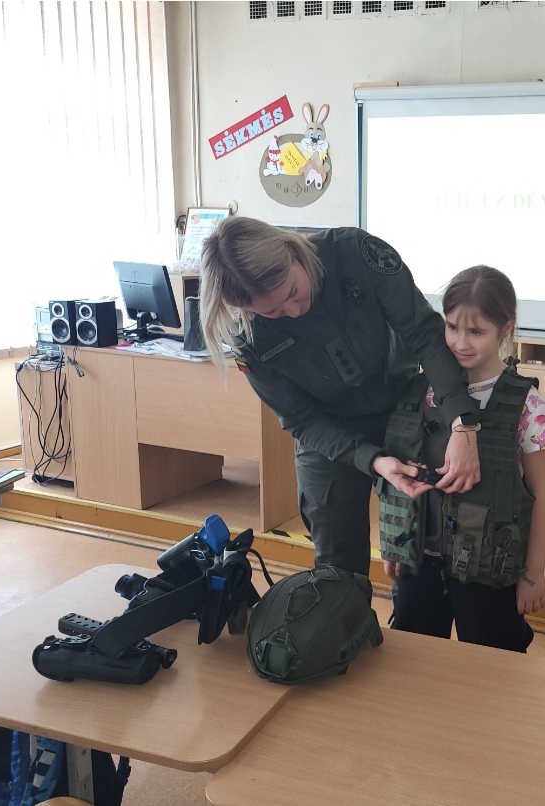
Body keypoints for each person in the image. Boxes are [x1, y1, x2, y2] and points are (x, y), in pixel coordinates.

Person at [198, 218, 481, 576]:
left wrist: (463, 423)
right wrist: (372, 460)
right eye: (272, 312)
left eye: (292, 292)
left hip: (402, 408)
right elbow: (301, 419)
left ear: (292, 251)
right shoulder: (246, 334)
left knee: (422, 542)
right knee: (338, 565)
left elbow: (424, 334)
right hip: (328, 435)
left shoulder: (356, 254)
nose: (294, 311)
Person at [382, 265, 545, 653]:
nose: (460, 342)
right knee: (414, 660)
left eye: (476, 332)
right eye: (451, 327)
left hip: (489, 571)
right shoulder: (419, 393)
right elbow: (400, 476)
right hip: (420, 561)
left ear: (505, 328)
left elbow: (542, 496)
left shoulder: (529, 406)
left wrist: (534, 574)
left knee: (493, 667)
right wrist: (396, 544)